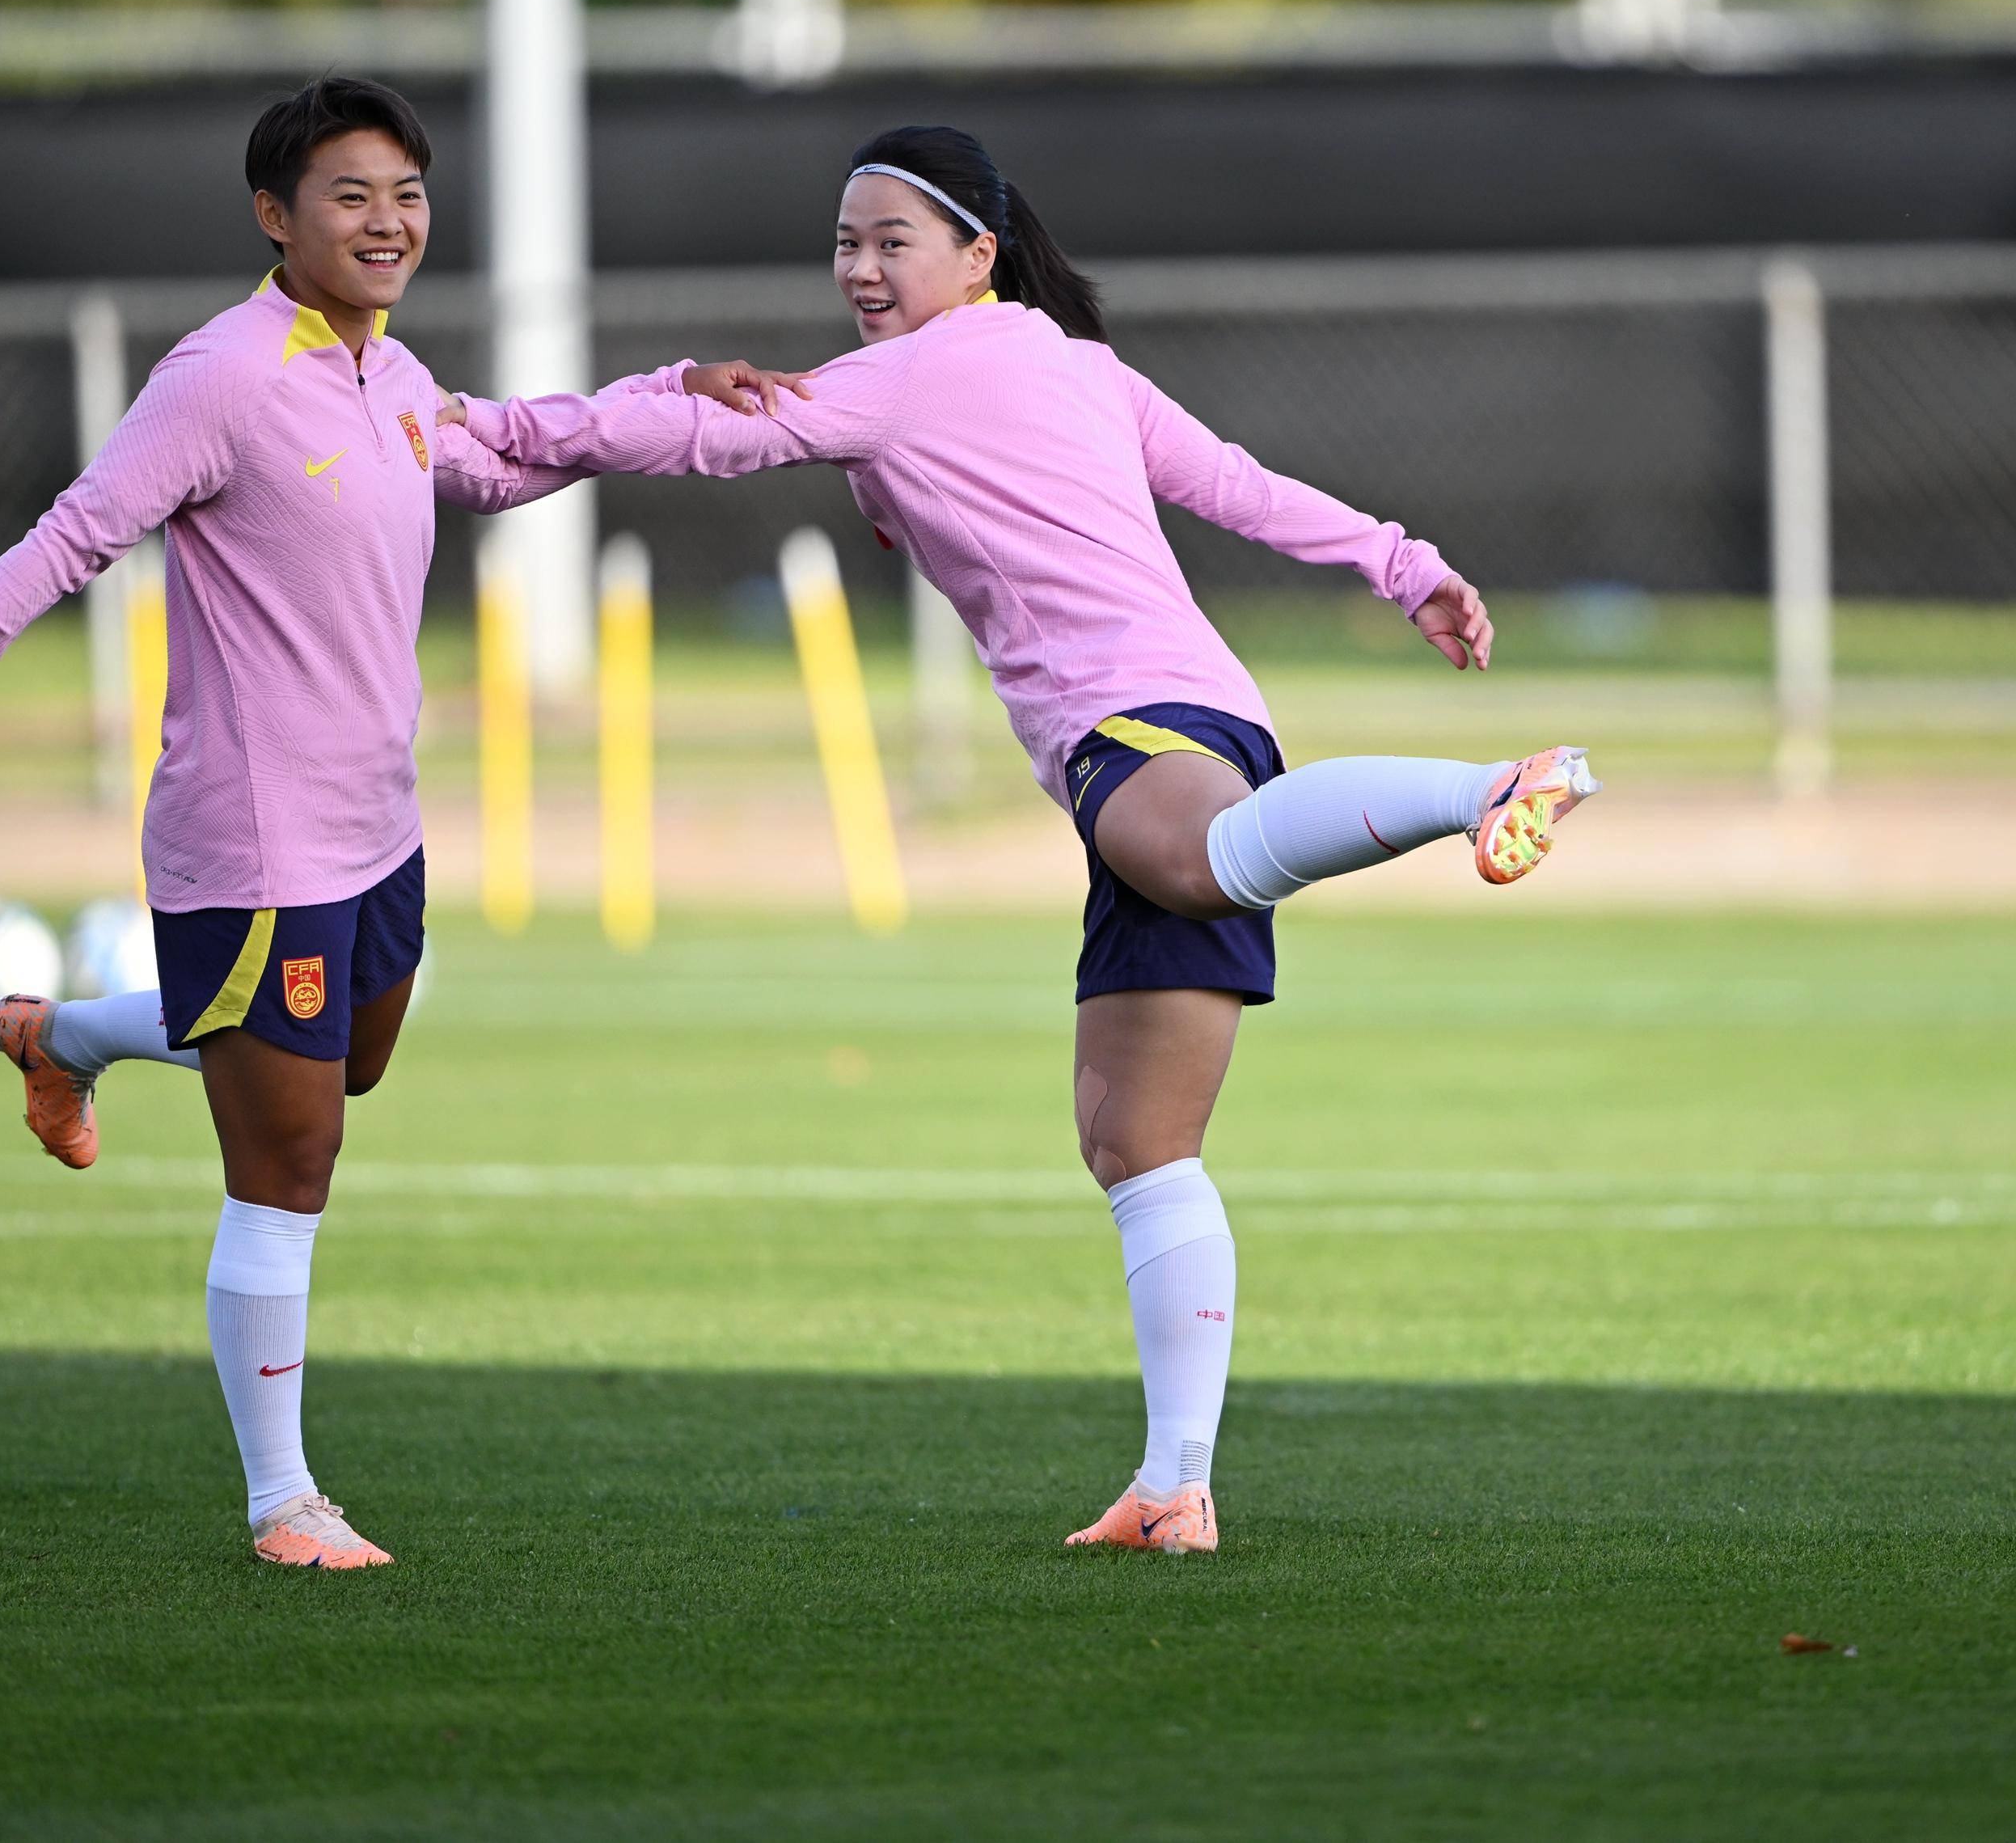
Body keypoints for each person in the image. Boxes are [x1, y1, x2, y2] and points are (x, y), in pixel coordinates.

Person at [442, 124, 1600, 1556]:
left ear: (977, 254)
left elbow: (677, 437)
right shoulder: (1073, 362)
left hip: (1143, 734)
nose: (862, 269)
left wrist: (493, 427)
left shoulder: (910, 373)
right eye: (848, 243)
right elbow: (1237, 483)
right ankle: (1177, 1485)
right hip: (1204, 719)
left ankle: (1489, 786)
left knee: (1198, 856)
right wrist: (1407, 562)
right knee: (1138, 1140)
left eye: (894, 242)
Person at [0, 76, 776, 1572]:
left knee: (348, 1061)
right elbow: (78, 531)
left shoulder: (391, 377)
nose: (388, 220)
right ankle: (285, 1501)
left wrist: (684, 396)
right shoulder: (218, 379)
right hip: (252, 841)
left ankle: (63, 1036)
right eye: (351, 195)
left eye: (406, 194)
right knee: (292, 1159)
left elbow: (520, 444)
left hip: (380, 831)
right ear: (275, 217)